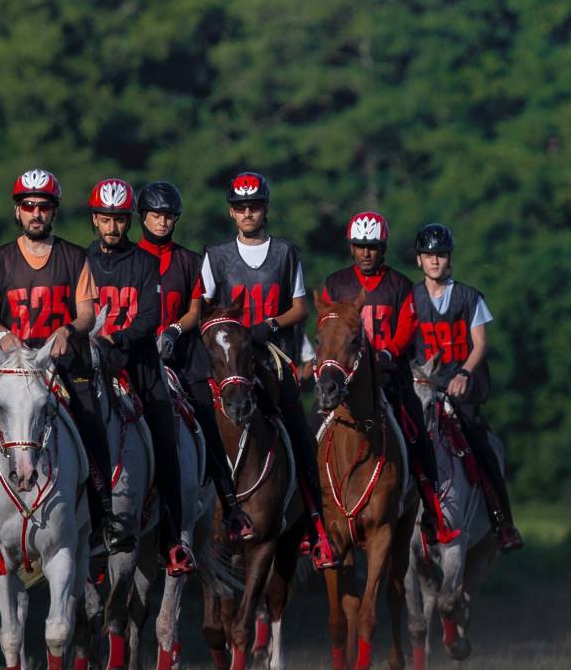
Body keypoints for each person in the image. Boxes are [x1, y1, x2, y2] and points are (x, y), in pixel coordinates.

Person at [0, 169, 133, 555]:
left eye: (44, 207)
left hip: (62, 365)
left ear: (54, 212)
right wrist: (2, 335)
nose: (36, 213)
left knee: (92, 421)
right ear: (17, 211)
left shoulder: (75, 257)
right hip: (15, 365)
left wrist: (68, 329)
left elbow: (87, 313)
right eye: (28, 206)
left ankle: (105, 516)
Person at [200, 171, 338, 569]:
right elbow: (202, 307)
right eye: (241, 207)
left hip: (271, 355)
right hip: (229, 359)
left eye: (254, 206)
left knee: (300, 434)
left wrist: (269, 325)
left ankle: (316, 526)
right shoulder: (215, 255)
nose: (248, 213)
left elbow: (300, 308)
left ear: (265, 210)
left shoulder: (287, 253)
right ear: (232, 212)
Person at [321, 211, 460, 544]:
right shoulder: (335, 284)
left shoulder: (399, 285)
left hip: (390, 378)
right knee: (313, 430)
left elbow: (408, 327)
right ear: (351, 248)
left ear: (382, 248)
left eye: (372, 247)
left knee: (417, 435)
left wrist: (386, 354)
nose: (366, 253)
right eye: (360, 246)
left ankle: (434, 515)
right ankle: (311, 518)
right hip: (343, 380)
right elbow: (326, 328)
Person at [135, 180, 256, 545]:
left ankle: (231, 507)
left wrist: (174, 330)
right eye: (156, 215)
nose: (163, 222)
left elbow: (194, 309)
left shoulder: (189, 260)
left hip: (182, 357)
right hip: (136, 357)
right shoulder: (129, 259)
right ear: (143, 217)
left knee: (207, 418)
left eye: (169, 216)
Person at [86, 178, 196, 574]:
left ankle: (172, 539)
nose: (112, 227)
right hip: (92, 365)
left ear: (129, 221)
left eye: (119, 219)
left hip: (140, 365)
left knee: (166, 438)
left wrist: (115, 339)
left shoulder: (145, 263)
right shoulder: (81, 262)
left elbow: (149, 317)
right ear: (94, 220)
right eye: (105, 219)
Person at [410, 223, 524, 552]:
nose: (435, 260)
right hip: (423, 386)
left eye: (441, 254)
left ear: (450, 258)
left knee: (481, 444)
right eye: (428, 255)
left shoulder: (470, 297)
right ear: (419, 260)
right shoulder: (411, 298)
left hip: (461, 390)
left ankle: (503, 522)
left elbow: (480, 343)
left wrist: (464, 373)